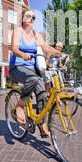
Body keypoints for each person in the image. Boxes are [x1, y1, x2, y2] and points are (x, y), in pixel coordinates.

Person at [9, 8, 62, 138]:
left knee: (42, 94)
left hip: (31, 69)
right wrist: (22, 54)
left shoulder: (35, 33)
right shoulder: (18, 31)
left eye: (33, 17)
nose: (31, 19)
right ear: (22, 19)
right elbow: (14, 48)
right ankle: (20, 106)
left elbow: (44, 46)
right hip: (17, 66)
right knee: (33, 79)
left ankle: (42, 125)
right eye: (28, 16)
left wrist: (60, 54)